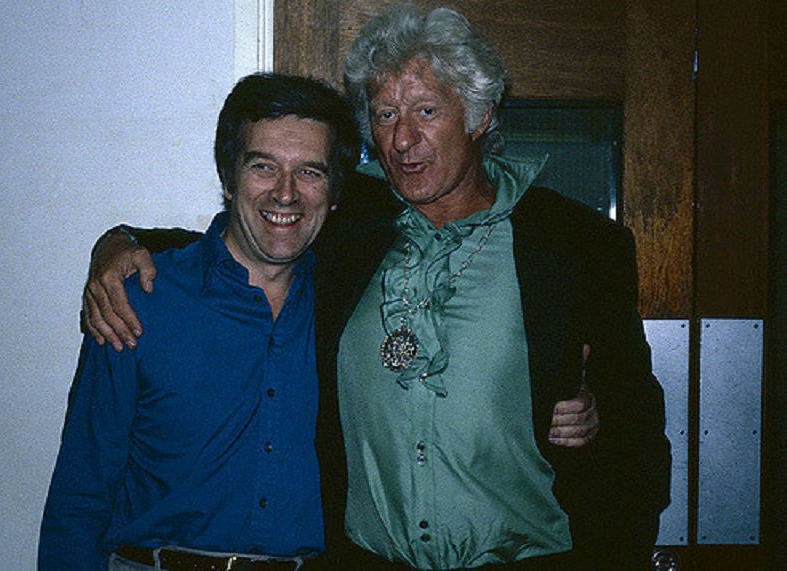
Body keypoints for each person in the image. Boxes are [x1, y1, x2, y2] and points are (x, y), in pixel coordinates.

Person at [80, 4, 666, 570]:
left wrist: (599, 422)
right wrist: (119, 243)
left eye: (426, 111)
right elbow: (251, 231)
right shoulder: (349, 227)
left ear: (480, 115)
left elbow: (637, 441)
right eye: (385, 115)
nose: (403, 139)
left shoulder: (578, 245)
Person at [39, 72, 360, 570]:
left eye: (310, 172)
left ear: (335, 191)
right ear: (228, 178)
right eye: (263, 166)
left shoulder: (351, 303)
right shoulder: (139, 300)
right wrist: (116, 241)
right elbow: (81, 494)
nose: (285, 193)